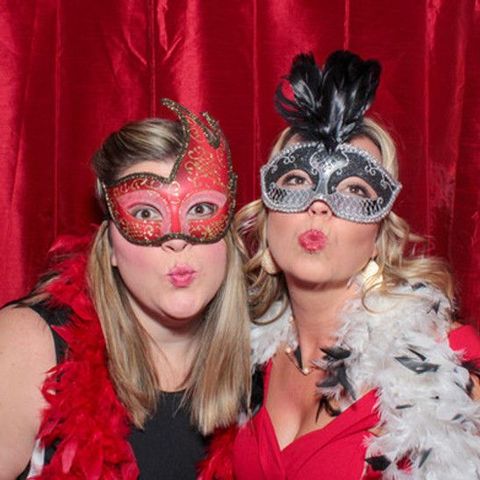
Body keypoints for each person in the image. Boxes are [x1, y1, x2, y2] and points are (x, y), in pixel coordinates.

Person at [203, 51, 480, 479]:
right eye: (295, 181)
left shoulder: (446, 364)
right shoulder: (243, 353)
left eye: (353, 189)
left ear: (378, 235)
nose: (319, 205)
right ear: (267, 215)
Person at [0, 99, 251, 479]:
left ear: (228, 235)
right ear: (111, 245)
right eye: (146, 213)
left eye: (200, 210)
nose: (177, 240)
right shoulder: (29, 346)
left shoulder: (268, 366)